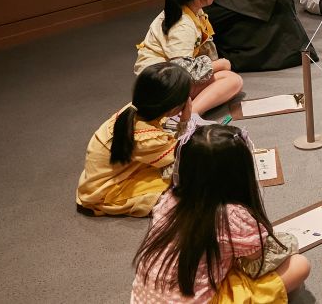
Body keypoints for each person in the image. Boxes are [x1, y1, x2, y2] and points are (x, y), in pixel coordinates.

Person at [131, 125, 310, 302]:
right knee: (299, 265)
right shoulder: (233, 216)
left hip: (143, 298)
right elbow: (257, 263)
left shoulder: (168, 198)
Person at [76, 63, 191, 217]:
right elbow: (180, 155)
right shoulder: (148, 139)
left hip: (97, 179)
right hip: (104, 191)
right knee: (184, 183)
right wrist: (184, 121)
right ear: (172, 108)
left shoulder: (132, 109)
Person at [134, 0, 243, 116]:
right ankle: (189, 116)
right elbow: (180, 70)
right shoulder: (183, 25)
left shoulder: (189, 10)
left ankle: (182, 108)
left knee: (225, 72)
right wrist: (219, 64)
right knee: (232, 80)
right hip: (160, 86)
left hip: (160, 82)